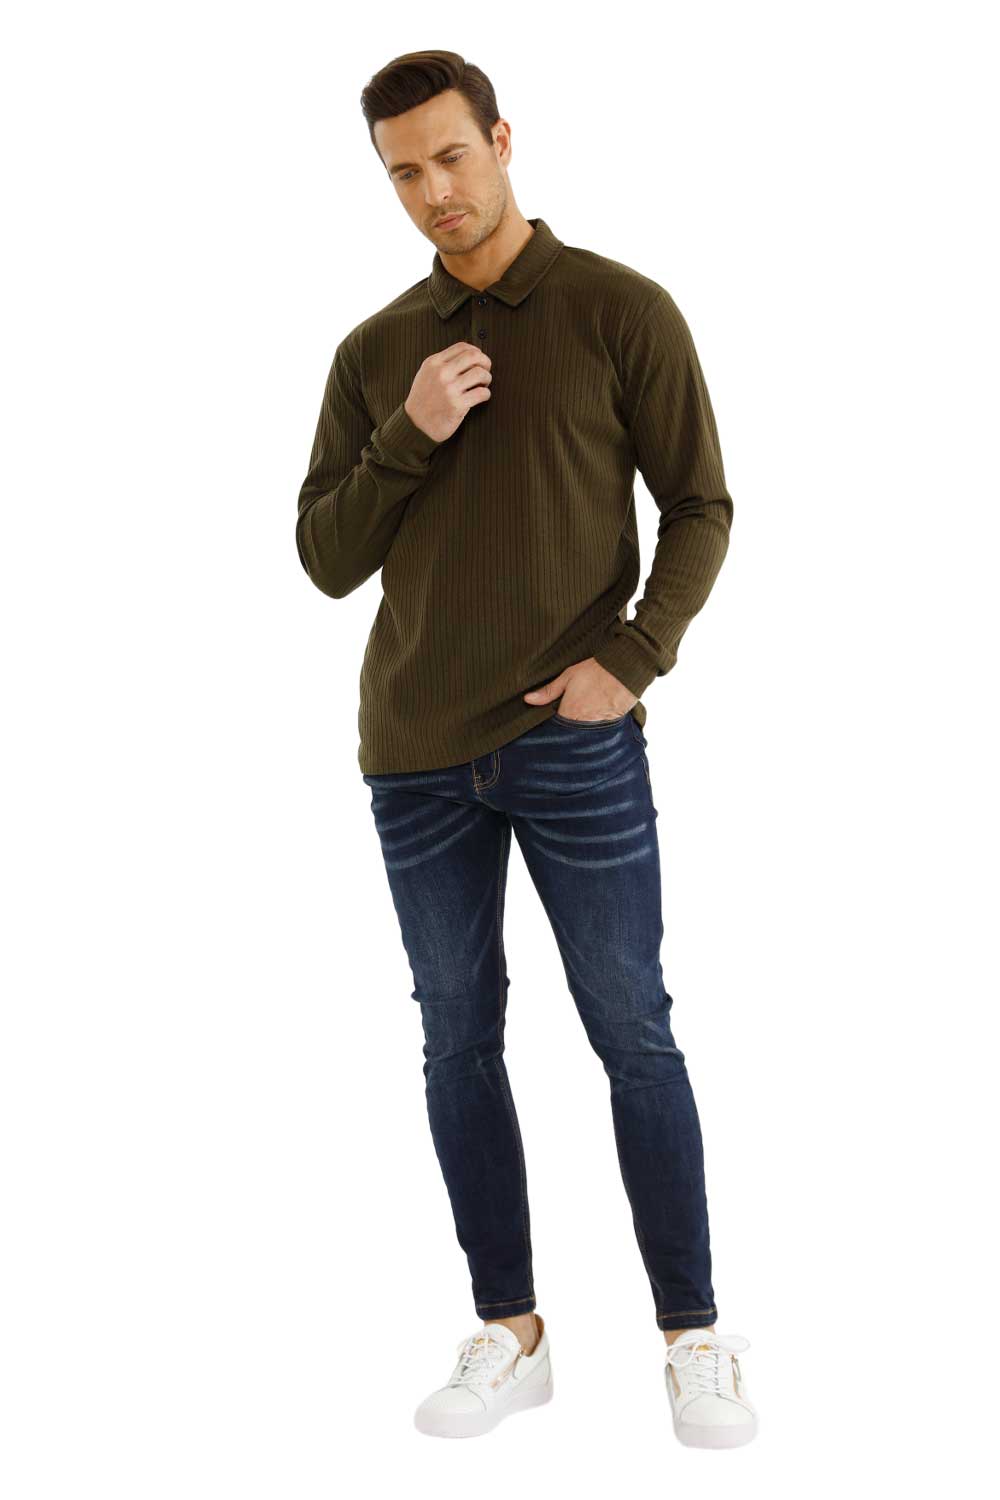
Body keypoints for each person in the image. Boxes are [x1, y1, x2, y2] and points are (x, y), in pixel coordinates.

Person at [295, 49, 757, 1449]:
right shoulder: (377, 353)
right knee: (457, 1039)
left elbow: (700, 505)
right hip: (415, 752)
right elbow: (325, 557)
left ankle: (692, 1334)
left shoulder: (620, 309)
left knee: (632, 1028)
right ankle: (512, 1331)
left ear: (502, 140)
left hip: (573, 741)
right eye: (404, 174)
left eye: (451, 156)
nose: (434, 192)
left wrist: (634, 656)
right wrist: (410, 431)